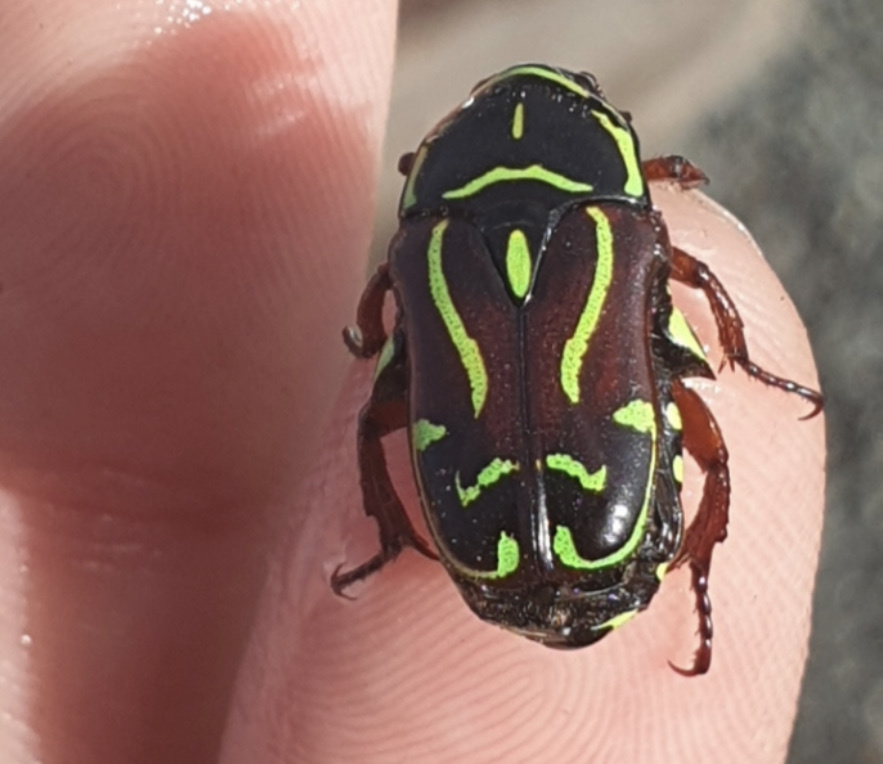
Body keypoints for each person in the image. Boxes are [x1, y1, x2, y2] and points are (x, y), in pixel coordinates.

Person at [0, 0, 824, 760]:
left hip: (503, 538)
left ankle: (399, 537)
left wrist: (370, 332)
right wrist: (738, 357)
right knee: (712, 440)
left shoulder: (424, 251)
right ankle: (693, 564)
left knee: (372, 420)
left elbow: (378, 309)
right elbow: (703, 285)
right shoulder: (624, 227)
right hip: (591, 531)